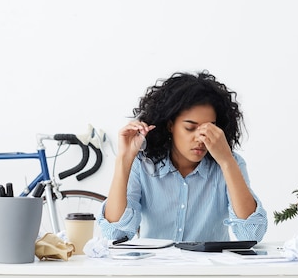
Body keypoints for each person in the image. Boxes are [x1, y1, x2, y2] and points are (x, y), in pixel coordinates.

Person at [98, 70, 268, 242]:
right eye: (190, 128)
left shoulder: (230, 164)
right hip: (155, 267)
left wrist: (226, 161)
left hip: (211, 268)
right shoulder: (143, 165)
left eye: (210, 129)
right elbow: (115, 234)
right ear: (170, 125)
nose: (200, 138)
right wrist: (124, 160)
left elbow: (251, 234)